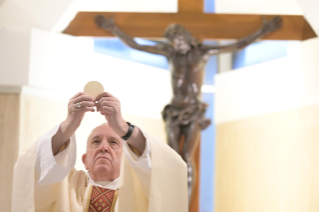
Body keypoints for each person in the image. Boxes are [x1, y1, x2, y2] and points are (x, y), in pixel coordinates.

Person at [95, 15, 283, 199]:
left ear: (186, 38)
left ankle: (184, 199)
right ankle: (171, 196)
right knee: (170, 156)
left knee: (186, 156)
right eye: (173, 42)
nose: (176, 45)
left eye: (178, 41)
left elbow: (236, 45)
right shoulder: (170, 53)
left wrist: (264, 30)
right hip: (174, 110)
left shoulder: (202, 52)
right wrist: (113, 29)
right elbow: (137, 45)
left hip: (193, 111)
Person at [11, 92, 187, 212]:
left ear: (128, 158)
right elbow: (32, 169)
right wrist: (68, 126)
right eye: (96, 141)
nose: (104, 147)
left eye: (113, 142)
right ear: (85, 159)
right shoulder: (64, 186)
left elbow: (171, 169)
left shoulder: (139, 189)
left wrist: (124, 129)